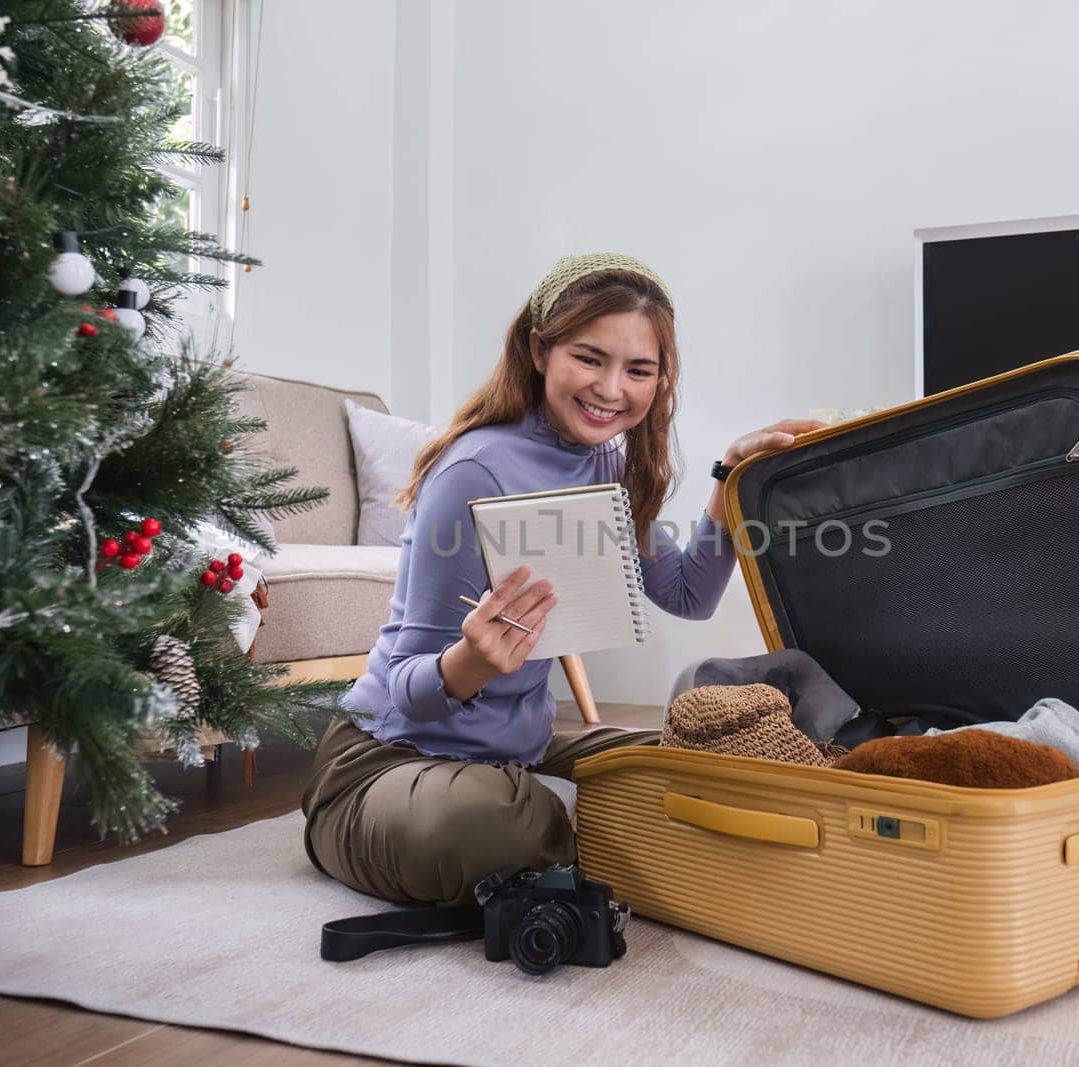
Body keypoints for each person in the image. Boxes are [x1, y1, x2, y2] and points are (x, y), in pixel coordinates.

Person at [300, 252, 822, 906]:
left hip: (515, 757)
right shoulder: (475, 471)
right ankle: (612, 838)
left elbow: (689, 593)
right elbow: (407, 690)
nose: (611, 389)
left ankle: (594, 832)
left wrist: (731, 484)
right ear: (539, 349)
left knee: (711, 762)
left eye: (639, 369)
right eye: (589, 357)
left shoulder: (609, 461)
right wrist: (471, 662)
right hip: (390, 759)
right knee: (488, 823)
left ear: (660, 380)